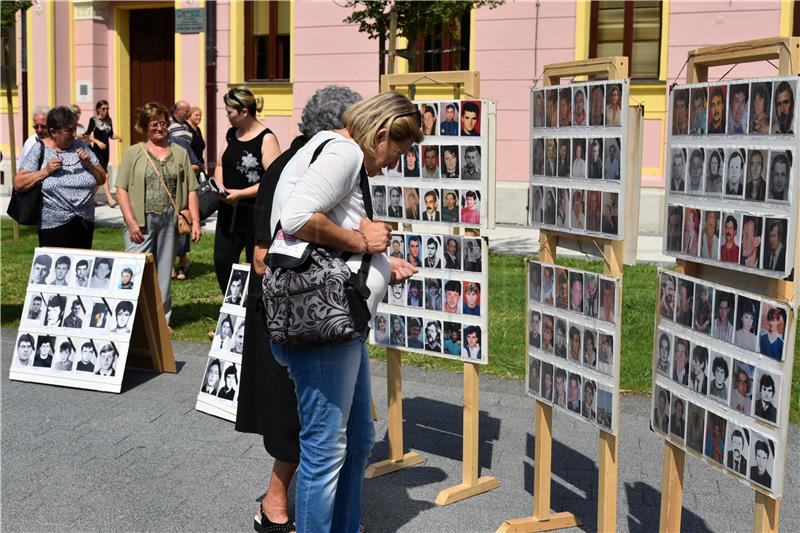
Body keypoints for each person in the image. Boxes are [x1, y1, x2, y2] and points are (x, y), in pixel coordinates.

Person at [268, 91, 421, 533]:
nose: (394, 163)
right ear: (380, 134)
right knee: (326, 449)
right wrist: (364, 244)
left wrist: (379, 265)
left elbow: (319, 232)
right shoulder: (345, 153)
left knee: (356, 440)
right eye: (398, 151)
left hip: (339, 325)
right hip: (324, 331)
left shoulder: (331, 149)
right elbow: (296, 219)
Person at [116, 102, 201, 327]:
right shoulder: (134, 153)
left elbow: (192, 189)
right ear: (145, 127)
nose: (160, 128)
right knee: (134, 269)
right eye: (154, 124)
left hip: (169, 221)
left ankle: (161, 323)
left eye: (163, 123)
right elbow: (121, 188)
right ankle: (128, 319)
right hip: (140, 222)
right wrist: (131, 221)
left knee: (164, 272)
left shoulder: (180, 153)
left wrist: (196, 222)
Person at [213, 88, 280, 298]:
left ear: (244, 111)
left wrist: (241, 193)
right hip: (228, 212)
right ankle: (233, 308)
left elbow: (273, 180)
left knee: (257, 267)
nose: (228, 117)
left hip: (254, 214)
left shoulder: (266, 139)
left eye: (230, 112)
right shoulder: (231, 134)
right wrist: (220, 185)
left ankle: (254, 315)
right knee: (223, 262)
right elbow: (219, 164)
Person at [16, 106, 107, 248]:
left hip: (84, 223)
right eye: (69, 131)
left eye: (74, 129)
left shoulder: (81, 145)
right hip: (53, 226)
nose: (74, 134)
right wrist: (44, 172)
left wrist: (89, 164)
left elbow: (102, 178)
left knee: (81, 268)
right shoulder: (39, 149)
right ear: (53, 132)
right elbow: (19, 183)